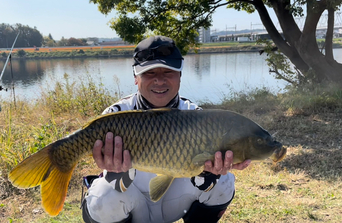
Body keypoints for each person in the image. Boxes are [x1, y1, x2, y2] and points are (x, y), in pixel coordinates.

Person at [81, 35, 251, 223]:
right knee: (103, 197)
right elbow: (117, 186)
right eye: (150, 73)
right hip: (133, 203)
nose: (159, 81)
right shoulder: (115, 116)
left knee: (224, 182)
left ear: (180, 76)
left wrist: (210, 172)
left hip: (175, 201)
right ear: (136, 78)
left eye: (168, 72)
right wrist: (116, 169)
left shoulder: (196, 115)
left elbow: (203, 183)